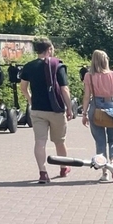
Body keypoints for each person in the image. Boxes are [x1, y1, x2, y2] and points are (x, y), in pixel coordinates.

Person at [19, 38, 74, 184]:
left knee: (40, 141)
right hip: (56, 109)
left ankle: (43, 173)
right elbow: (64, 89)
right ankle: (63, 168)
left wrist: (30, 100)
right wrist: (69, 108)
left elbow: (23, 87)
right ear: (49, 49)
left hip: (37, 110)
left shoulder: (29, 66)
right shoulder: (57, 65)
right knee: (59, 141)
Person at [81, 51, 113, 183]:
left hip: (95, 108)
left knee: (100, 141)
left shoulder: (89, 76)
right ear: (105, 60)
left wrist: (84, 113)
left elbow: (86, 96)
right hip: (111, 107)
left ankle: (104, 172)